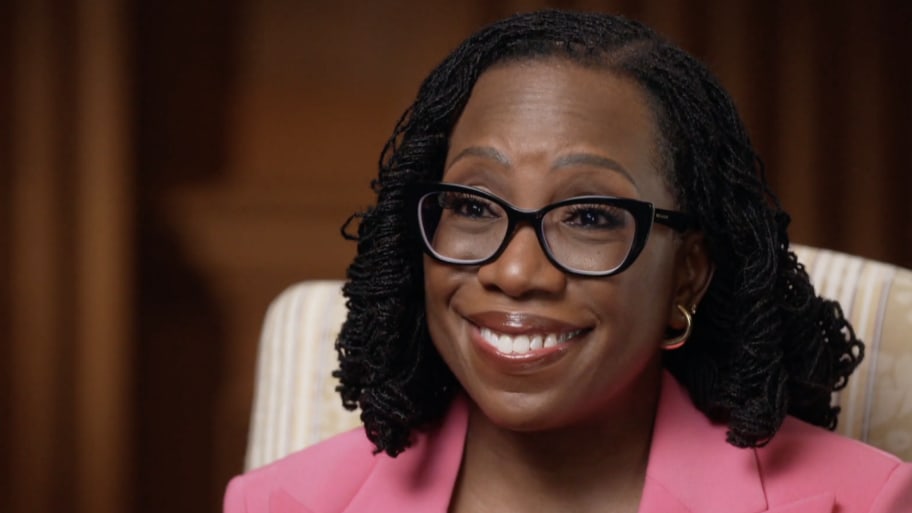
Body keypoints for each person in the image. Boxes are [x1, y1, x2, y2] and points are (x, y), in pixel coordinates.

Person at [224, 10, 912, 513]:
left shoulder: (865, 501)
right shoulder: (279, 502)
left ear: (689, 272)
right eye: (473, 204)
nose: (517, 272)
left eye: (588, 216)